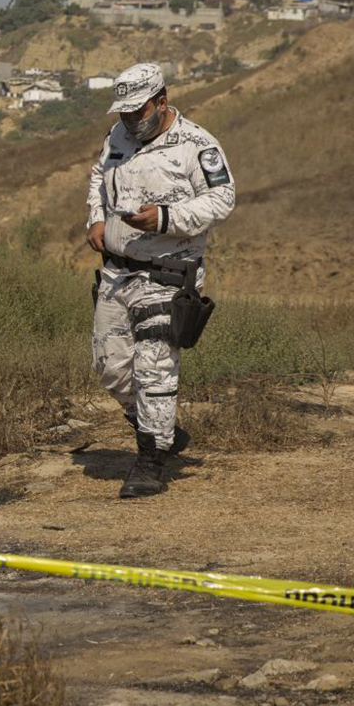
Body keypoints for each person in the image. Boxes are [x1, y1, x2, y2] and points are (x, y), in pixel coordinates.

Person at [85, 63, 236, 497]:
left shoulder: (196, 145)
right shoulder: (116, 137)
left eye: (139, 111)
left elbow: (223, 198)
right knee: (110, 367)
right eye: (125, 113)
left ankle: (151, 458)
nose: (131, 120)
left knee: (154, 366)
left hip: (169, 272)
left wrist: (166, 218)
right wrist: (96, 219)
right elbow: (98, 177)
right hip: (117, 271)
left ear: (162, 100)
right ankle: (161, 425)